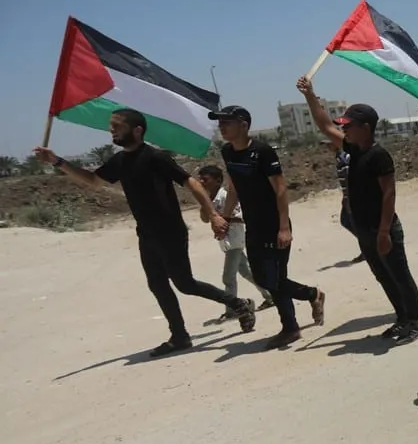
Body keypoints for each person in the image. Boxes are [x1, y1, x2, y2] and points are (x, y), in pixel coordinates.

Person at [33, 108, 256, 356]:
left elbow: (190, 182)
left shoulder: (155, 157)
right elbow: (94, 181)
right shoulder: (120, 160)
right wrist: (57, 161)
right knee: (157, 284)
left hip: (170, 231)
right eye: (111, 126)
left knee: (184, 284)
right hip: (147, 234)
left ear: (137, 130)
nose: (111, 130)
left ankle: (238, 304)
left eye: (117, 126)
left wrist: (213, 214)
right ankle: (179, 336)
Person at [296, 76, 418, 344]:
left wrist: (384, 232)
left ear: (365, 128)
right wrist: (310, 95)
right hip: (364, 228)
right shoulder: (353, 149)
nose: (344, 130)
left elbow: (389, 194)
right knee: (383, 276)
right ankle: (401, 318)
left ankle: (414, 323)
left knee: (400, 276)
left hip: (382, 229)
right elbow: (324, 125)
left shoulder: (379, 155)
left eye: (349, 125)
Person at [209, 105, 325, 350]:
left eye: (227, 122)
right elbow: (233, 187)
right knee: (264, 277)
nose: (222, 126)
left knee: (275, 279)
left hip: (274, 224)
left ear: (243, 125)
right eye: (220, 122)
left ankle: (290, 327)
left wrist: (284, 227)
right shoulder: (227, 151)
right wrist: (225, 218)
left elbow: (280, 189)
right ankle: (312, 294)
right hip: (253, 225)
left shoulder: (262, 151)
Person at [195, 164, 273, 321]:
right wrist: (205, 205)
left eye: (205, 179)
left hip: (234, 240)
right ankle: (271, 296)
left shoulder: (225, 196)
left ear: (218, 180)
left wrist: (223, 220)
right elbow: (205, 219)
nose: (202, 182)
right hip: (226, 242)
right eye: (200, 179)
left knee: (228, 277)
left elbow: (241, 216)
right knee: (246, 272)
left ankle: (232, 309)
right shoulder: (209, 199)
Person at [332, 138, 365, 263]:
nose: (327, 147)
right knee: (347, 221)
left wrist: (348, 197)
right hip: (350, 196)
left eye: (329, 144)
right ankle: (367, 246)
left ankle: (368, 247)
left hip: (352, 197)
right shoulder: (340, 157)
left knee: (352, 222)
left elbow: (349, 177)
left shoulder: (343, 158)